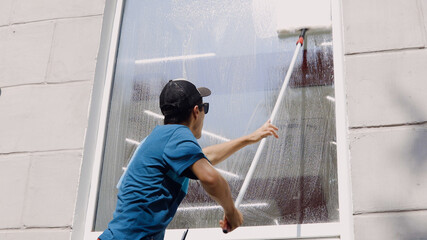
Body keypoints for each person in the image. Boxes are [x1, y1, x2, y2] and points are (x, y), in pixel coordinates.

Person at [98, 79, 278, 240]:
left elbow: (206, 157)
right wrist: (231, 212)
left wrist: (249, 138)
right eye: (205, 107)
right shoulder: (178, 135)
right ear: (196, 112)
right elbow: (211, 177)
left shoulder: (159, 139)